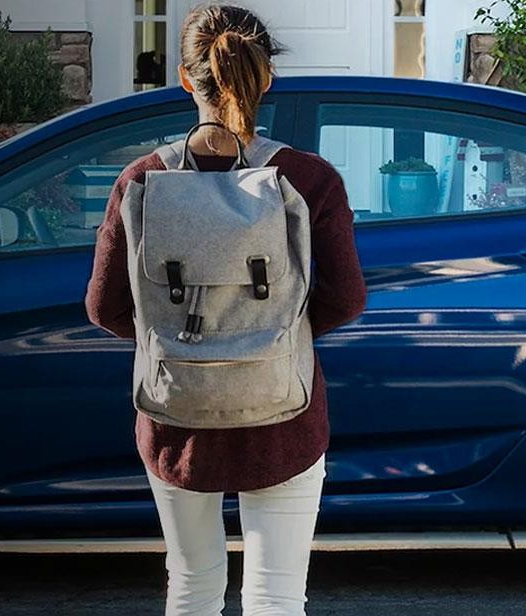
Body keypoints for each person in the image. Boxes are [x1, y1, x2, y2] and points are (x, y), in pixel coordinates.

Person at [84, 4, 367, 615]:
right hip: (282, 412)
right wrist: (268, 329)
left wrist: (186, 336)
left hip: (177, 417)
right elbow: (346, 299)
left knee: (191, 585)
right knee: (277, 596)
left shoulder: (142, 180)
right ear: (265, 78)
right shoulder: (309, 179)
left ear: (187, 80)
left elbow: (105, 307)